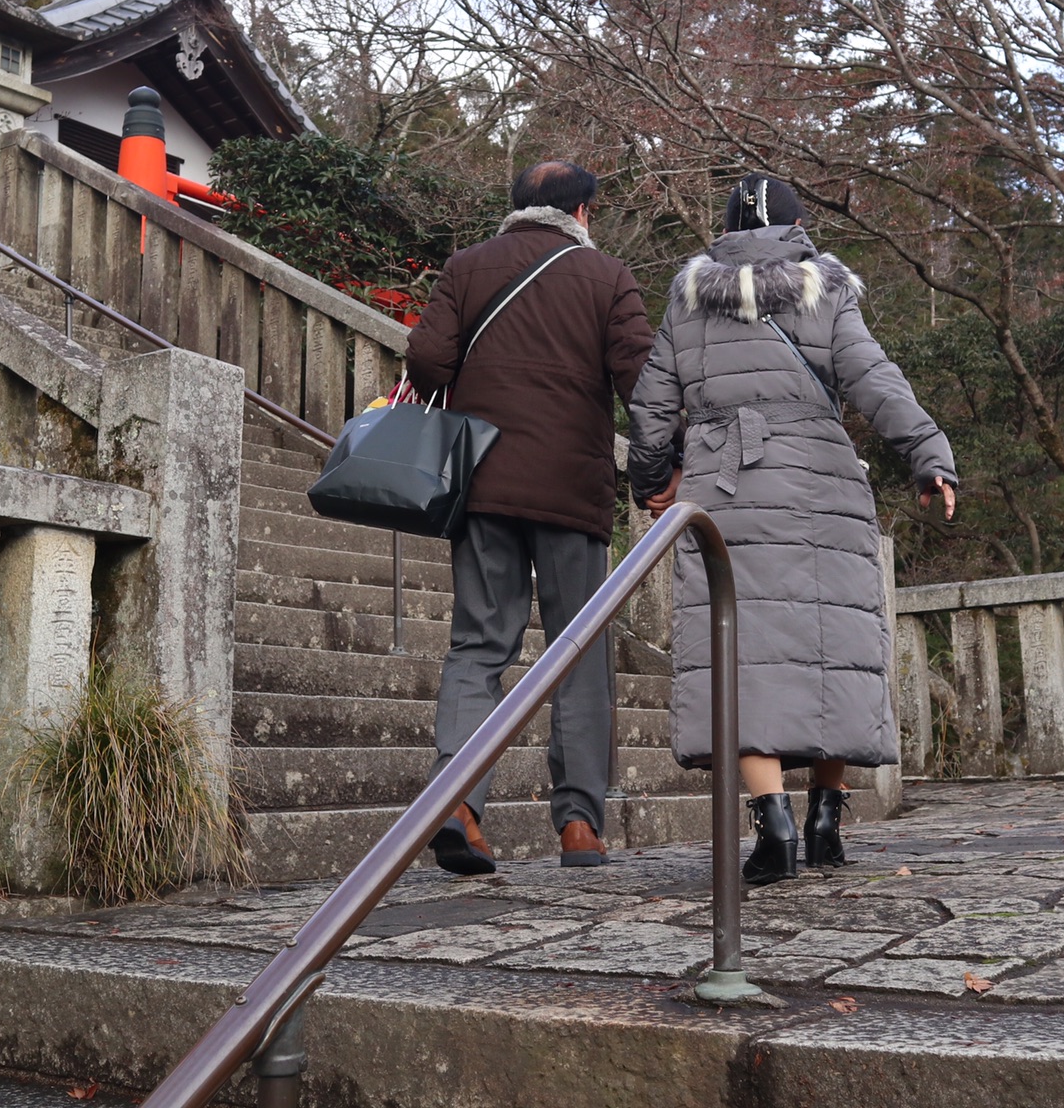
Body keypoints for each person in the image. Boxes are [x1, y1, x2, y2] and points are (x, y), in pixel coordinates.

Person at [626, 175, 957, 882]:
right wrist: (929, 455)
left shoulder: (688, 303)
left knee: (741, 655)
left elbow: (651, 402)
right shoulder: (824, 289)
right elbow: (874, 377)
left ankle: (771, 821)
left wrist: (655, 480)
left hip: (726, 488)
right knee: (829, 649)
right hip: (822, 483)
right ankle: (828, 819)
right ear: (800, 225)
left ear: (725, 230)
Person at [406, 161, 655, 874]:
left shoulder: (467, 265)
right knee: (577, 654)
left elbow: (427, 360)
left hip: (483, 484)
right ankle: (579, 826)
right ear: (583, 211)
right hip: (573, 493)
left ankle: (457, 803)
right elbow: (642, 380)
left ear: (516, 209)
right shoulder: (608, 276)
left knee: (480, 645)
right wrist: (659, 464)